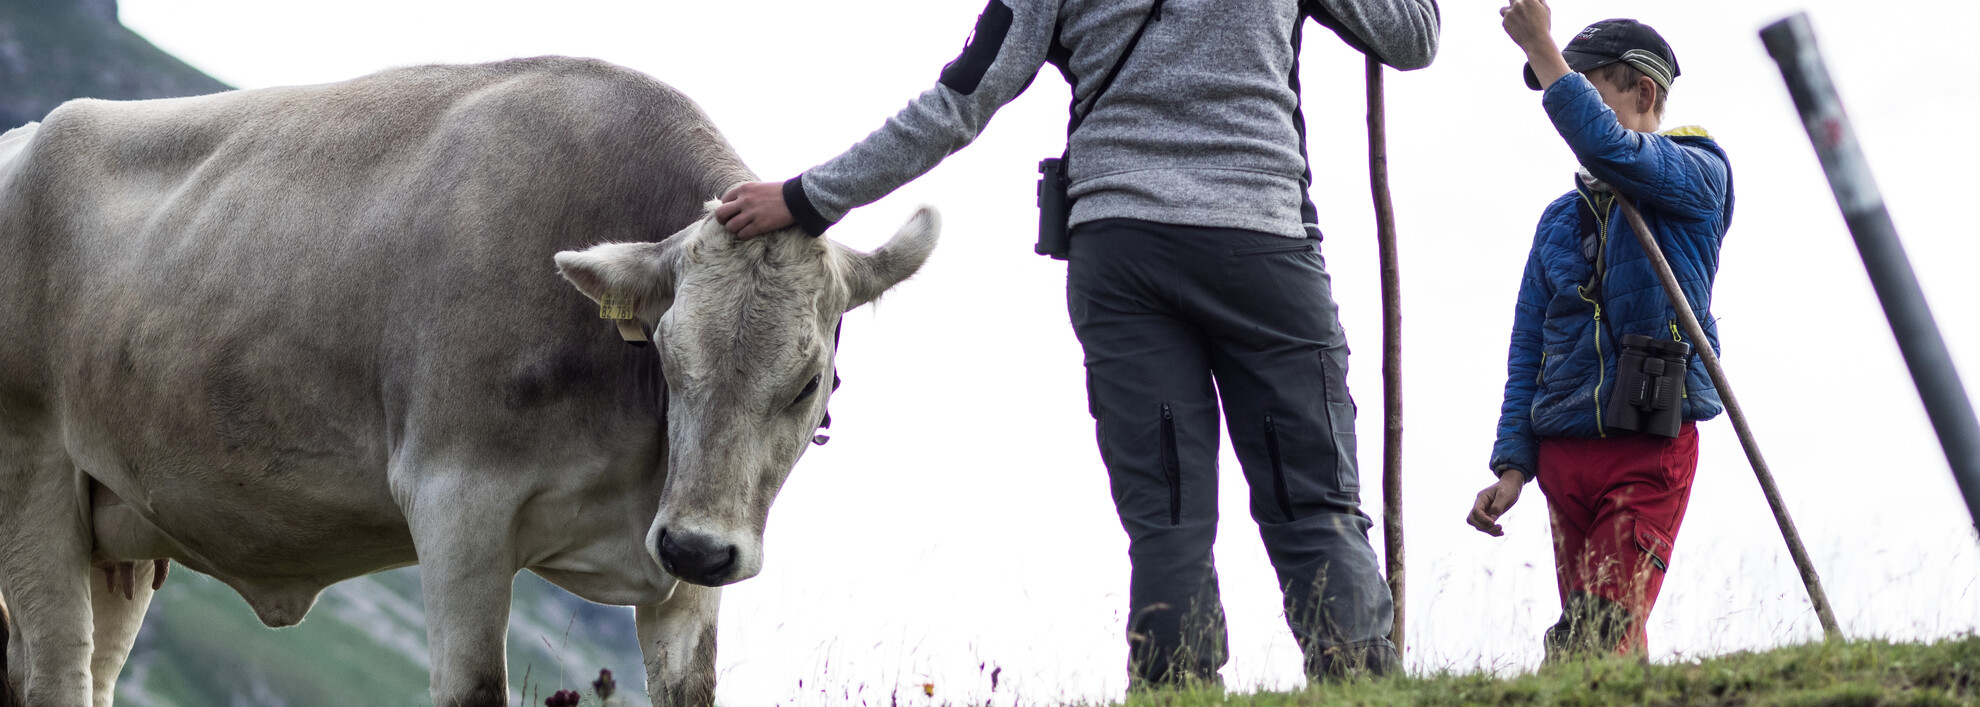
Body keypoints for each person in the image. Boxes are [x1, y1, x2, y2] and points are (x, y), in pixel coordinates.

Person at [714, 0, 1439, 687]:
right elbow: (1413, 36)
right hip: (1263, 248)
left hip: (1123, 256)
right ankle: (1361, 685)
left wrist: (810, 196)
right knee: (1312, 503)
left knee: (1169, 518)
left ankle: (1174, 691)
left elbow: (959, 102)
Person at [1468, 0, 1734, 661]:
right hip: (1564, 455)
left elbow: (1609, 147)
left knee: (1589, 637)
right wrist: (1513, 463)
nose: (1564, 106)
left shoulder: (1698, 175)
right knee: (1614, 650)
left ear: (1643, 92)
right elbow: (1527, 346)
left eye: (1584, 89)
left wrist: (1540, 46)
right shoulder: (1558, 221)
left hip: (1648, 446)